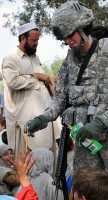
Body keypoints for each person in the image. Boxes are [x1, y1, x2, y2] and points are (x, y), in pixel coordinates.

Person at [24, 1, 108, 199]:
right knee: (85, 193)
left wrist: (102, 121)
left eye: (70, 35)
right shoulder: (69, 60)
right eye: (64, 38)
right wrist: (44, 117)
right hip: (86, 142)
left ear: (83, 29)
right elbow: (61, 98)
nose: (67, 41)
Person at [1, 21, 59, 159]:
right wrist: (36, 76)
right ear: (23, 38)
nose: (36, 43)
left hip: (44, 118)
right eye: (33, 40)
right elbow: (13, 82)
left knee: (48, 160)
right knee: (29, 162)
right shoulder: (11, 58)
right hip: (24, 121)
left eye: (38, 40)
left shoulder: (35, 57)